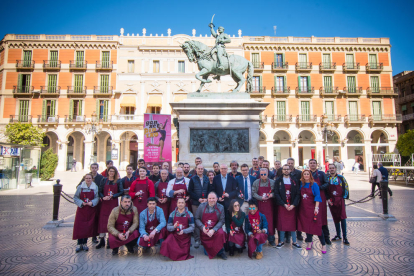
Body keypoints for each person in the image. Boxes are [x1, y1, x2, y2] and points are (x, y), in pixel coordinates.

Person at [297, 170, 327, 254]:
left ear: (310, 176)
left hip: (312, 208)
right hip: (303, 209)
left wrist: (316, 208)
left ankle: (323, 244)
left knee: (317, 227)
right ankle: (309, 242)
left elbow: (317, 196)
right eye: (304, 174)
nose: (306, 175)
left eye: (307, 174)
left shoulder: (314, 185)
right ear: (302, 176)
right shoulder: (301, 184)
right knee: (307, 226)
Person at [274, 165, 301, 249]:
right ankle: (281, 241)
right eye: (284, 169)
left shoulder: (294, 180)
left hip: (292, 205)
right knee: (282, 223)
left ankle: (295, 241)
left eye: (287, 169)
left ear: (290, 170)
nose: (286, 171)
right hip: (283, 206)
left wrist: (293, 204)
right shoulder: (278, 180)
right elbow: (276, 193)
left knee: (292, 223)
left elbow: (297, 193)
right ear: (282, 171)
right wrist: (283, 204)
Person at [96, 167, 124, 249]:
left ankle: (110, 240)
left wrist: (114, 196)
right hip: (104, 203)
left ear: (115, 172)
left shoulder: (118, 181)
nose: (111, 173)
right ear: (108, 172)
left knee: (113, 221)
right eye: (110, 171)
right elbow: (99, 191)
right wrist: (103, 197)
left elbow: (121, 191)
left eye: (113, 171)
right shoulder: (104, 180)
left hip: (113, 203)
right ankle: (101, 240)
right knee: (103, 221)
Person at [194, 192, 227, 260]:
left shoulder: (221, 207)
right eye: (210, 198)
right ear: (207, 199)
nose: (211, 200)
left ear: (217, 199)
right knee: (207, 253)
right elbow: (196, 218)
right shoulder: (201, 206)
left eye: (213, 198)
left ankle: (221, 251)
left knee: (221, 233)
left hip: (215, 230)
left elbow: (222, 220)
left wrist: (213, 230)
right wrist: (202, 227)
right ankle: (214, 250)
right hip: (205, 231)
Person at [73, 173, 99, 252]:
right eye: (86, 178)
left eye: (89, 178)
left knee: (87, 227)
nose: (88, 180)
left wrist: (92, 202)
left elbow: (97, 197)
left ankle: (85, 243)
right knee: (80, 226)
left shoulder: (95, 187)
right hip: (82, 210)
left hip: (90, 210)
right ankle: (79, 243)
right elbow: (75, 197)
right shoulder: (80, 187)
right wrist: (81, 203)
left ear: (92, 179)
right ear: (84, 179)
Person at [77, 162, 103, 244]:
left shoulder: (101, 177)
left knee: (95, 219)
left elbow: (101, 189)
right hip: (85, 204)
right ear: (90, 168)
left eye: (95, 167)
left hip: (96, 201)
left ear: (97, 168)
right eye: (93, 167)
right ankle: (82, 241)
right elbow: (78, 187)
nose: (94, 169)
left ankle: (94, 236)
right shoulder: (86, 177)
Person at [252, 168, 276, 247]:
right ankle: (261, 238)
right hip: (260, 205)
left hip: (269, 206)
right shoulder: (256, 182)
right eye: (261, 174)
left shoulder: (272, 182)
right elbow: (253, 193)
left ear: (267, 174)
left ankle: (271, 239)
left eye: (264, 174)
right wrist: (260, 198)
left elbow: (277, 192)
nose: (263, 176)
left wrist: (272, 195)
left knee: (270, 222)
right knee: (260, 221)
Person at [188, 164, 210, 248]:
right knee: (197, 221)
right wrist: (198, 199)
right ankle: (197, 239)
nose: (200, 170)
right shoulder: (192, 179)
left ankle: (205, 238)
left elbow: (209, 190)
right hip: (196, 203)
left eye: (202, 169)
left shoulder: (207, 179)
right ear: (196, 169)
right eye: (199, 169)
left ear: (203, 169)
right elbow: (190, 191)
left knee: (205, 220)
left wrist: (206, 199)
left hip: (205, 203)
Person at [309, 158, 331, 245]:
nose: (312, 164)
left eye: (314, 163)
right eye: (311, 163)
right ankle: (309, 238)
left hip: (320, 198)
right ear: (309, 165)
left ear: (316, 164)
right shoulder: (307, 174)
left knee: (322, 218)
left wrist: (319, 188)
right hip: (310, 198)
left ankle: (326, 237)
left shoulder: (321, 174)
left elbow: (327, 183)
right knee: (310, 218)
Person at [327, 164, 350, 246]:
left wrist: (344, 197)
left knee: (342, 218)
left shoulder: (341, 178)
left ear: (335, 169)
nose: (332, 169)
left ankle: (345, 237)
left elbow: (346, 187)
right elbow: (326, 190)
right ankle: (338, 235)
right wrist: (328, 199)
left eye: (333, 168)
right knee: (335, 217)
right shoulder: (327, 178)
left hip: (340, 200)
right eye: (330, 168)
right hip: (332, 201)